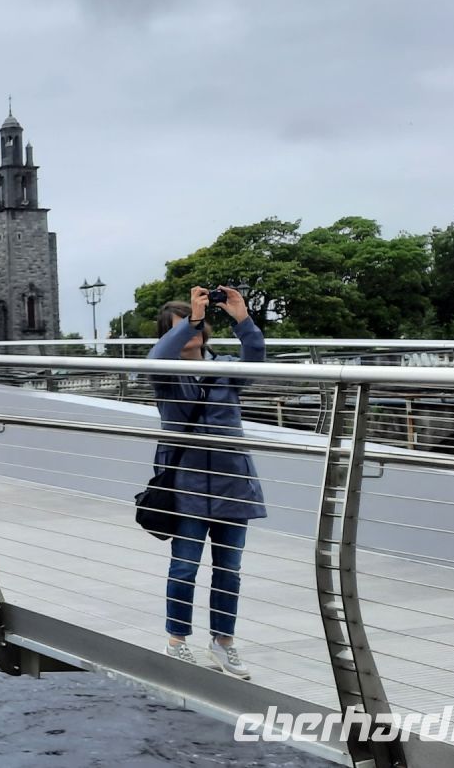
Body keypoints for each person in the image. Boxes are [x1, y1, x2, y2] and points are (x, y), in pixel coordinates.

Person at [148, 285, 266, 679]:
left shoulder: (223, 369)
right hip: (188, 484)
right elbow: (155, 358)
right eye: (183, 327)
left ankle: (223, 642)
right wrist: (191, 320)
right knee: (184, 568)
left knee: (228, 570)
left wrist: (242, 318)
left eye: (198, 325)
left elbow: (257, 358)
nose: (194, 332)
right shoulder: (167, 375)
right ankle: (177, 641)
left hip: (233, 480)